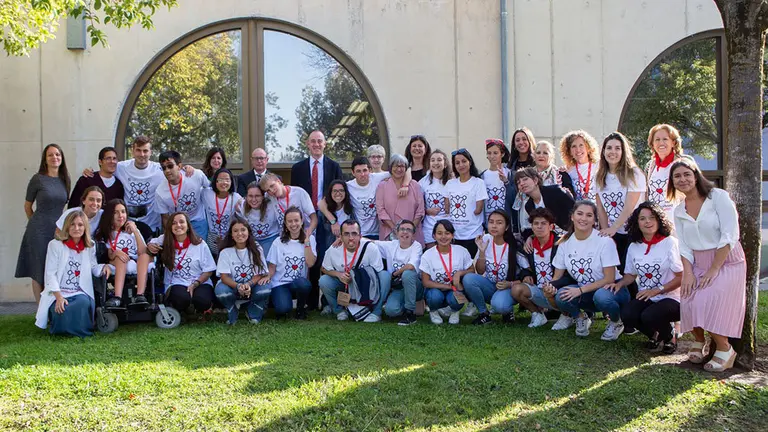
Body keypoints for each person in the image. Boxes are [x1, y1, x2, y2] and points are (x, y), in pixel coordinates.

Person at [669, 157, 746, 372]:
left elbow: (730, 235)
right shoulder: (679, 210)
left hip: (727, 261)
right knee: (689, 296)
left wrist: (714, 269)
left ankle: (725, 348)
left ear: (696, 175)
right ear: (672, 182)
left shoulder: (718, 197)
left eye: (687, 174)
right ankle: (699, 341)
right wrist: (688, 273)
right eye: (677, 176)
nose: (682, 179)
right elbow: (683, 245)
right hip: (696, 261)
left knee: (707, 298)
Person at [551, 200, 628, 340]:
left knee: (602, 297)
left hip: (611, 289)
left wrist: (579, 290)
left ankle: (616, 322)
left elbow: (609, 279)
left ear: (594, 220)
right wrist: (549, 289)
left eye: (589, 215)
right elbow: (557, 278)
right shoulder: (564, 243)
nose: (583, 219)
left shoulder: (604, 241)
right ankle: (581, 318)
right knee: (561, 295)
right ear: (572, 216)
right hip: (585, 291)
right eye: (579, 214)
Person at [612, 202, 682, 354]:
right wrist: (620, 284)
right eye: (642, 218)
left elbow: (681, 277)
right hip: (647, 295)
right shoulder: (634, 246)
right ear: (636, 223)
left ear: (659, 220)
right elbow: (631, 274)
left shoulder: (670, 243)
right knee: (628, 315)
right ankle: (655, 335)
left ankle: (670, 337)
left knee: (649, 315)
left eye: (652, 217)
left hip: (671, 297)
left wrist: (657, 291)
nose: (647, 222)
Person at [35, 210, 110, 337]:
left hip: (79, 290)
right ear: (67, 226)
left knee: (81, 303)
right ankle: (60, 331)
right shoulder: (55, 245)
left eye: (80, 225)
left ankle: (80, 332)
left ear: (85, 227)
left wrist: (104, 267)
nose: (76, 228)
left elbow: (92, 266)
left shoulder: (89, 246)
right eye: (72, 225)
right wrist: (59, 297)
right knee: (62, 307)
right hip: (58, 291)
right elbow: (50, 274)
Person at [17, 143, 71, 303]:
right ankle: (41, 310)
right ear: (45, 160)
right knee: (39, 270)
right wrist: (37, 225)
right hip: (38, 231)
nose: (55, 157)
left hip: (58, 231)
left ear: (61, 158)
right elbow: (27, 206)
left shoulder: (64, 180)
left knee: (54, 268)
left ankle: (54, 304)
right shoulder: (37, 179)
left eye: (57, 155)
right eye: (50, 155)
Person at [463, 210, 528, 325]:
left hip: (508, 287)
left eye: (499, 223)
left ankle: (507, 310)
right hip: (491, 285)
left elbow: (528, 273)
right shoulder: (486, 239)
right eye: (491, 222)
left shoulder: (514, 244)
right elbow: (480, 270)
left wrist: (510, 284)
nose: (494, 226)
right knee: (468, 279)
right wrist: (482, 252)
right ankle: (484, 314)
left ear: (507, 226)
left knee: (500, 306)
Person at [146, 212, 217, 317]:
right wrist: (150, 245)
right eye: (174, 223)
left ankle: (198, 309)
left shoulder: (200, 244)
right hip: (176, 282)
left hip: (200, 281)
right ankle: (185, 309)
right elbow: (151, 244)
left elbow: (208, 270)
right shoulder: (165, 239)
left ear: (188, 226)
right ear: (170, 227)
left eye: (181, 222)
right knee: (181, 299)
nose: (178, 225)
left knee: (202, 301)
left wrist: (195, 284)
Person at [595, 132, 647, 271]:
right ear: (603, 151)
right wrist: (606, 232)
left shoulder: (634, 174)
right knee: (614, 271)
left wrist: (614, 228)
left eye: (617, 148)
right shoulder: (599, 176)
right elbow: (600, 208)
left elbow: (629, 207)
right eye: (609, 148)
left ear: (624, 151)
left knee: (629, 271)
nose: (613, 152)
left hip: (633, 231)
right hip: (613, 232)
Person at [508, 208, 567, 329]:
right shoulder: (529, 246)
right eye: (536, 223)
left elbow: (569, 273)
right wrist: (525, 275)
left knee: (563, 293)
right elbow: (525, 267)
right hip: (540, 291)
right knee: (516, 290)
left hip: (558, 290)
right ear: (532, 227)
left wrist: (555, 285)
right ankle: (538, 314)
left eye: (543, 223)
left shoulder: (561, 245)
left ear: (551, 227)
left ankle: (567, 315)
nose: (539, 227)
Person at [320, 220, 385, 322]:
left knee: (385, 276)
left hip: (365, 286)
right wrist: (339, 274)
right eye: (346, 234)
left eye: (354, 234)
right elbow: (324, 268)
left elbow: (378, 272)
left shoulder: (370, 248)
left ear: (360, 236)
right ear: (340, 237)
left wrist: (361, 278)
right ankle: (339, 311)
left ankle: (376, 312)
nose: (351, 238)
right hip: (344, 284)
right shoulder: (333, 249)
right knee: (324, 281)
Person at [510, 141, 574, 236]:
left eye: (545, 153)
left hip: (564, 231)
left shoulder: (560, 176)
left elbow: (571, 206)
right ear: (533, 156)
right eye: (538, 152)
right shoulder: (525, 175)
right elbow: (519, 207)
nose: (541, 155)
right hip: (537, 229)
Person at [215, 217, 271, 325]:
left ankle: (253, 311)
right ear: (231, 235)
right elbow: (224, 277)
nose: (239, 234)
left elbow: (259, 274)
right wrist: (238, 286)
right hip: (232, 286)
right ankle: (232, 310)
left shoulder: (256, 248)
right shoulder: (225, 252)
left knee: (265, 288)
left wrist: (248, 284)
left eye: (243, 230)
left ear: (248, 232)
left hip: (252, 285)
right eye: (235, 231)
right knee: (222, 292)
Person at [266, 207, 317, 320]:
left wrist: (307, 243)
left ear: (302, 221)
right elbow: (272, 266)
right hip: (280, 283)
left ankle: (300, 308)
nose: (293, 224)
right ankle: (282, 302)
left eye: (296, 220)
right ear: (285, 223)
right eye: (290, 221)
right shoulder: (278, 242)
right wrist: (267, 277)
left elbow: (310, 263)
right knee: (282, 309)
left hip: (298, 282)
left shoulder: (311, 239)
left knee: (304, 285)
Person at [420, 220, 474, 325]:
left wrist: (459, 273)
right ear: (434, 236)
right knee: (434, 297)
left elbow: (472, 270)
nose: (443, 237)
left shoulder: (461, 251)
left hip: (455, 289)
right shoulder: (428, 255)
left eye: (447, 233)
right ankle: (433, 311)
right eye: (439, 233)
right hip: (435, 289)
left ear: (453, 235)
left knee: (456, 298)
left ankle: (455, 311)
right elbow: (426, 282)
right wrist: (448, 286)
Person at [95, 199, 148, 307]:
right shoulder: (104, 233)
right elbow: (105, 254)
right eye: (116, 212)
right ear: (109, 215)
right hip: (115, 262)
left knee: (144, 256)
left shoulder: (132, 231)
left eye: (123, 212)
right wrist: (115, 253)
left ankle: (140, 295)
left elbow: (143, 251)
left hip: (135, 261)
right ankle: (117, 297)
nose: (120, 215)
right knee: (120, 257)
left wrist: (136, 231)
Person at [374, 220, 423, 325]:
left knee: (408, 273)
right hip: (399, 287)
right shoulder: (392, 244)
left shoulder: (416, 246)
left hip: (415, 286)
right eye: (402, 229)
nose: (405, 232)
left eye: (408, 230)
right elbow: (371, 242)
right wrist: (349, 238)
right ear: (396, 232)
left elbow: (411, 266)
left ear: (413, 234)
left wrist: (395, 274)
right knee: (391, 311)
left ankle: (410, 314)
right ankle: (404, 305)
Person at [114, 136, 167, 233]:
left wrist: (189, 169)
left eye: (145, 151)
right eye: (138, 150)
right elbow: (104, 172)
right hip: (127, 226)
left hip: (152, 226)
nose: (142, 154)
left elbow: (177, 173)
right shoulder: (120, 167)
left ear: (151, 152)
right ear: (133, 151)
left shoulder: (160, 169)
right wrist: (88, 172)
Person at [154, 150, 210, 239]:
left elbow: (210, 189)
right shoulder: (160, 192)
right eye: (164, 168)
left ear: (179, 166)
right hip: (177, 225)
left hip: (197, 221)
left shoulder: (196, 175)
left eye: (170, 166)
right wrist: (169, 236)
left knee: (198, 250)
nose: (167, 171)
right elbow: (165, 218)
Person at [444, 148, 487, 257]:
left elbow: (478, 210)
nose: (461, 165)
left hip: (473, 235)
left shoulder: (478, 183)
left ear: (470, 162)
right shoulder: (450, 183)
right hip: (455, 235)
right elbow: (447, 208)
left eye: (464, 161)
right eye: (457, 163)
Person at [376, 154, 425, 243]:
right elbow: (380, 210)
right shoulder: (382, 186)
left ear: (406, 168)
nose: (399, 169)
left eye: (402, 166)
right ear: (390, 167)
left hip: (413, 234)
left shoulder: (414, 185)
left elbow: (420, 210)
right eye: (396, 166)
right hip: (390, 233)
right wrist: (395, 229)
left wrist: (410, 229)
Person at [290, 130, 343, 211]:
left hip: (328, 213)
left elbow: (341, 192)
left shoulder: (334, 167)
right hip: (305, 214)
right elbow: (294, 194)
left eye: (320, 141)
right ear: (308, 144)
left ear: (324, 144)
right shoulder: (297, 168)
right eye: (313, 141)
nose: (316, 144)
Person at [516, 167, 575, 238]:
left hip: (572, 233)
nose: (522, 183)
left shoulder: (556, 191)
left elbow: (575, 210)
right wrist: (531, 237)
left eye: (525, 179)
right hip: (551, 239)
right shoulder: (528, 206)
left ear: (535, 180)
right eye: (518, 182)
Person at [646, 124, 684, 220]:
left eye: (665, 139)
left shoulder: (681, 164)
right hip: (655, 220)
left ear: (673, 143)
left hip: (676, 220)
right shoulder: (651, 166)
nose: (661, 143)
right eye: (657, 140)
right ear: (653, 144)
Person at [202, 168, 243, 255]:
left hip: (228, 237)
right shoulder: (206, 193)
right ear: (215, 181)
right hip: (211, 237)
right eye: (220, 180)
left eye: (227, 180)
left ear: (231, 182)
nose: (224, 183)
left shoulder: (236, 197)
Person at [418, 150, 452, 248]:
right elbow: (417, 205)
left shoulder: (452, 180)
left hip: (448, 224)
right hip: (430, 226)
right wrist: (427, 211)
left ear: (445, 164)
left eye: (439, 160)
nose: (436, 163)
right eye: (432, 160)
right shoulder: (423, 182)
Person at [346, 157, 385, 240]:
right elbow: (322, 203)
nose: (362, 174)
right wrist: (333, 222)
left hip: (379, 233)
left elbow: (404, 170)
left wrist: (405, 185)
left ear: (370, 170)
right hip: (360, 234)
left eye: (365, 170)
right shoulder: (348, 186)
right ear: (353, 173)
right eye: (358, 171)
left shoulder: (376, 178)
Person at [239, 181, 280, 258]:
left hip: (271, 238)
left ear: (263, 196)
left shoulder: (272, 203)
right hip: (253, 240)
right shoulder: (242, 206)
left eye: (257, 196)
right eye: (250, 196)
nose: (253, 199)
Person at [559, 130, 600, 202]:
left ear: (588, 147)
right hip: (579, 211)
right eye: (573, 146)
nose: (578, 150)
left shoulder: (599, 166)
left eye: (581, 145)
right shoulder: (568, 171)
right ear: (569, 151)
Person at [317, 180, 355, 251]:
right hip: (330, 250)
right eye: (335, 191)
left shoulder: (351, 210)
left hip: (349, 250)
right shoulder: (323, 213)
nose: (338, 193)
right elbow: (320, 238)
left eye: (341, 190)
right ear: (330, 193)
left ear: (345, 193)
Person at [482, 139, 511, 223]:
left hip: (505, 220)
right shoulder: (482, 176)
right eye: (489, 153)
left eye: (495, 153)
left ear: (502, 154)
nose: (492, 156)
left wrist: (506, 181)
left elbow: (514, 197)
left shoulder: (510, 174)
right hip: (488, 221)